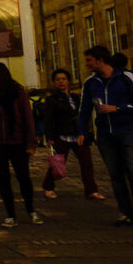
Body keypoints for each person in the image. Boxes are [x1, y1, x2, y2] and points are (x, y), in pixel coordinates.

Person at [79, 44, 133, 227]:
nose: (86, 64)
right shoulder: (91, 83)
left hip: (128, 130)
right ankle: (125, 212)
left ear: (100, 60)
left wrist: (118, 108)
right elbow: (84, 109)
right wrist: (81, 131)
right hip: (105, 134)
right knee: (115, 174)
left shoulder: (126, 77)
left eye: (89, 60)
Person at [0, 62, 39, 227]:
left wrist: (31, 142)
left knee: (23, 177)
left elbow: (28, 117)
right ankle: (11, 215)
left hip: (17, 140)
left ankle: (31, 210)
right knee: (3, 179)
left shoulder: (17, 92)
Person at [40, 68, 102, 200]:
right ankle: (48, 186)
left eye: (63, 79)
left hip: (78, 135)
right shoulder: (52, 100)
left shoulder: (76, 97)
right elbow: (49, 119)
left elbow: (84, 115)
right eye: (58, 80)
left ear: (68, 81)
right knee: (58, 163)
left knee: (86, 163)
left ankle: (91, 190)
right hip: (62, 135)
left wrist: (86, 131)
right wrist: (49, 137)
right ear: (54, 82)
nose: (61, 82)